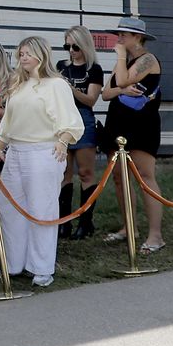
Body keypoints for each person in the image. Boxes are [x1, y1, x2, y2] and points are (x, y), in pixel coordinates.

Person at [0, 37, 84, 287]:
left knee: (41, 209)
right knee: (8, 208)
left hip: (43, 151)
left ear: (42, 54)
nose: (23, 57)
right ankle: (11, 262)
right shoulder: (18, 84)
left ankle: (41, 267)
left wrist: (63, 141)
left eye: (28, 53)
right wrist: (0, 146)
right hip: (16, 152)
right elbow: (8, 120)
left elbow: (72, 121)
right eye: (21, 53)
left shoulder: (56, 84)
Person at [99, 16, 165, 253]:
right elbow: (106, 93)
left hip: (141, 124)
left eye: (124, 35)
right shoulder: (124, 60)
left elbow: (124, 79)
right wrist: (122, 89)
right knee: (119, 177)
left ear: (137, 37)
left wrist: (119, 63)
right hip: (117, 122)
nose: (119, 39)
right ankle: (129, 227)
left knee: (145, 178)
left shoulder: (148, 59)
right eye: (119, 35)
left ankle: (155, 235)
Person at [57, 26, 105, 240]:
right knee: (63, 173)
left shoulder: (94, 69)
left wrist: (71, 89)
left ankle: (86, 222)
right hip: (63, 119)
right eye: (67, 46)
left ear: (84, 46)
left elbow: (91, 100)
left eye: (75, 46)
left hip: (83, 118)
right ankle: (64, 222)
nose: (71, 51)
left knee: (85, 172)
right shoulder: (61, 66)